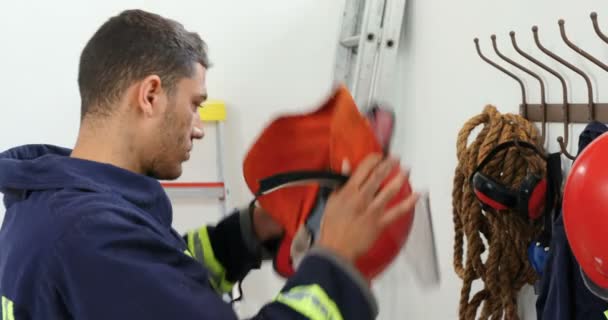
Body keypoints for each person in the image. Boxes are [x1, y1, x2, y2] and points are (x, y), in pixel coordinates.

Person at [0, 9, 418, 320]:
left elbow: (161, 278)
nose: (198, 128)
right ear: (150, 96)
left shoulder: (49, 201)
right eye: (195, 104)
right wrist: (335, 261)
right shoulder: (91, 236)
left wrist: (250, 231)